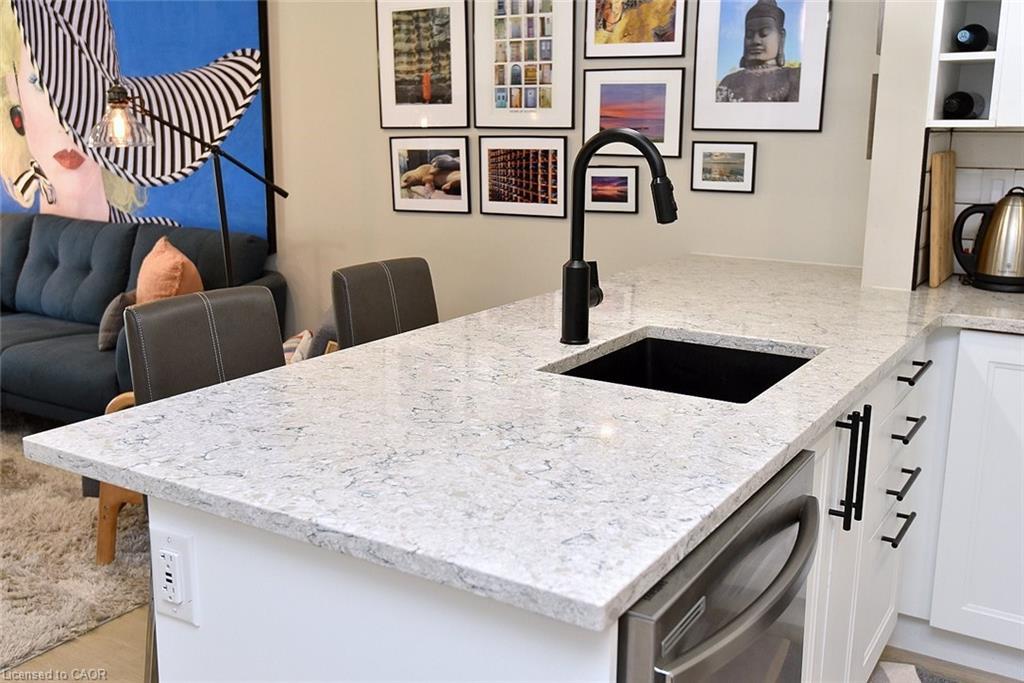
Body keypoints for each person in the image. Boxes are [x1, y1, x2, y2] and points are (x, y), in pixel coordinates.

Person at [1, 0, 263, 224]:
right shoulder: (20, 240)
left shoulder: (157, 240)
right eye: (40, 84)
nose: (65, 126)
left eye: (85, 89)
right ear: (14, 92)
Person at [716, 0, 800, 103]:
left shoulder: (793, 77)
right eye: (749, 35)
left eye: (764, 34)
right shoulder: (728, 82)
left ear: (781, 37)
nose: (755, 41)